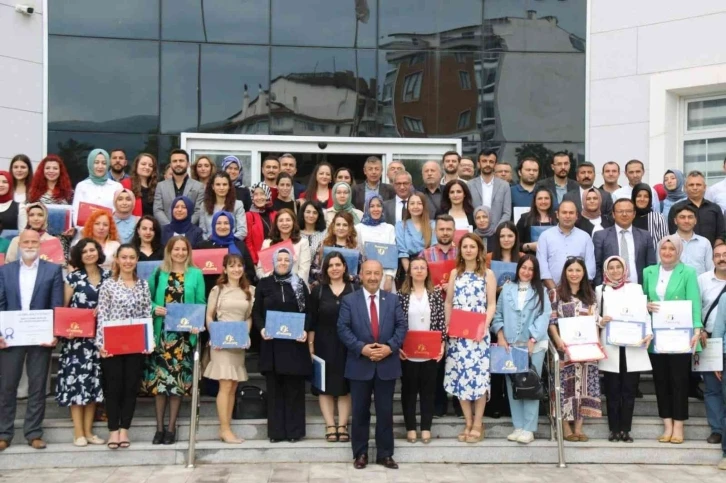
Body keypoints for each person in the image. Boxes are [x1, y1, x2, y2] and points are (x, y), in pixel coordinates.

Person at [338, 260, 407, 469]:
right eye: (368, 273)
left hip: (387, 364)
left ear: (381, 275)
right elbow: (343, 328)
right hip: (359, 363)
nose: (373, 277)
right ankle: (360, 453)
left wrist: (389, 348)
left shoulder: (392, 299)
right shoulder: (349, 300)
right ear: (361, 275)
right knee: (360, 412)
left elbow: (402, 326)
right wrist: (362, 348)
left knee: (385, 412)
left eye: (377, 273)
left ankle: (385, 454)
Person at [0, 229, 64, 451]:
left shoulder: (53, 270)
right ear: (19, 245)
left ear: (40, 245)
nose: (29, 245)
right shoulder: (5, 271)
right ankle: (4, 433)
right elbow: (0, 303)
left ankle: (34, 433)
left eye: (33, 242)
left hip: (40, 336)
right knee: (7, 386)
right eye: (25, 242)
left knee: (38, 386)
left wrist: (55, 333)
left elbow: (56, 304)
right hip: (11, 337)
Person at [145, 236, 206, 445]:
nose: (180, 253)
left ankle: (171, 428)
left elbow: (200, 303)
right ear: (169, 251)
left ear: (188, 252)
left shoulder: (196, 274)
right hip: (162, 336)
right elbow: (147, 300)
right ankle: (159, 428)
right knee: (160, 385)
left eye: (183, 249)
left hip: (183, 339)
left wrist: (197, 324)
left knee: (177, 384)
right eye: (176, 249)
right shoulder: (158, 273)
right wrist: (155, 308)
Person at [643, 235, 702, 443]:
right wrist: (645, 305)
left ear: (679, 251)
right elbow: (643, 299)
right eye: (664, 248)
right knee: (661, 382)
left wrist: (697, 330)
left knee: (679, 382)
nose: (667, 252)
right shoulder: (648, 272)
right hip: (657, 337)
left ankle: (679, 426)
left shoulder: (688, 272)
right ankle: (667, 425)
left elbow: (694, 302)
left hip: (680, 336)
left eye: (672, 249)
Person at [96, 244, 152, 449]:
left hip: (136, 345)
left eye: (132, 257)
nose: (128, 261)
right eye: (124, 257)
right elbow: (102, 314)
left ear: (137, 260)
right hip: (112, 345)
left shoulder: (143, 285)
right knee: (113, 388)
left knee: (130, 387)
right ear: (117, 260)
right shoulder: (108, 285)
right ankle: (113, 430)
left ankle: (124, 429)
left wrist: (148, 341)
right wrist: (101, 343)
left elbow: (147, 313)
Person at [253, 248, 312, 443]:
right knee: (275, 390)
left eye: (287, 260)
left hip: (295, 344)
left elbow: (309, 312)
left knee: (294, 390)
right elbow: (256, 312)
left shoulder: (299, 284)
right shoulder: (264, 284)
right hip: (272, 344)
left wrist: (305, 330)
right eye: (280, 259)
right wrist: (262, 329)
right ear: (273, 262)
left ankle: (294, 432)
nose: (283, 263)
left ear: (292, 262)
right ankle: (276, 432)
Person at [491, 255, 551, 444]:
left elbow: (545, 316)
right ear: (518, 269)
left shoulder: (541, 291)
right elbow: (498, 315)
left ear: (536, 272)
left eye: (531, 269)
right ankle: (518, 426)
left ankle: (529, 428)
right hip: (510, 346)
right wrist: (500, 336)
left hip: (534, 346)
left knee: (530, 384)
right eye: (524, 267)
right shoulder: (507, 288)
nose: (526, 272)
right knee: (513, 386)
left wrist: (533, 337)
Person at [56, 238, 110, 446]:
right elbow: (63, 308)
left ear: (98, 252)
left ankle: (89, 432)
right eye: (85, 251)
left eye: (92, 250)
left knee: (94, 385)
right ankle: (78, 432)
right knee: (76, 385)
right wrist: (65, 331)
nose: (89, 254)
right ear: (79, 255)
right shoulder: (73, 278)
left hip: (101, 340)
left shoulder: (109, 277)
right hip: (77, 341)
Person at [444, 233, 496, 444]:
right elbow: (449, 302)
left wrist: (484, 325)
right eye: (464, 246)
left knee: (479, 378)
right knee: (460, 377)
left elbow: (491, 304)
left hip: (478, 333)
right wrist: (448, 326)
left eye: (472, 246)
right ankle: (467, 421)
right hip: (458, 334)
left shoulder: (487, 274)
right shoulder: (455, 273)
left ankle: (478, 423)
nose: (468, 250)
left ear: (479, 249)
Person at [597, 256, 652, 443]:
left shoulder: (635, 288)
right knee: (612, 390)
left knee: (629, 390)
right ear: (606, 270)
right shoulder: (600, 290)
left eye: (618, 267)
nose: (615, 271)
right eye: (611, 267)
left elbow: (644, 314)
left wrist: (649, 333)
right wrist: (600, 321)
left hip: (633, 345)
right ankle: (614, 429)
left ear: (624, 269)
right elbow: (594, 315)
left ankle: (625, 430)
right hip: (611, 345)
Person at [548, 257, 602, 441]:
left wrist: (596, 343)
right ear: (565, 272)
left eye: (578, 270)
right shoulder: (555, 293)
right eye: (570, 270)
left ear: (584, 273)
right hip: (564, 349)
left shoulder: (590, 295)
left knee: (583, 386)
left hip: (586, 349)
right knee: (565, 387)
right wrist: (558, 340)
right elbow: (552, 321)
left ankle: (578, 428)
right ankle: (565, 427)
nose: (574, 274)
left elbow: (595, 322)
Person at [204, 253, 255, 444]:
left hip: (238, 343)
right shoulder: (217, 290)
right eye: (232, 266)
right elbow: (209, 316)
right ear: (224, 269)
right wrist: (214, 335)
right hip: (221, 343)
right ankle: (224, 429)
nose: (236, 269)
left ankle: (226, 428)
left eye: (239, 265)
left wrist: (246, 335)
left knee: (233, 386)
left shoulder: (250, 290)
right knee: (225, 385)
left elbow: (248, 317)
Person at [308, 252, 356, 443]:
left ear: (344, 267)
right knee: (324, 386)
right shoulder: (318, 291)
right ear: (325, 269)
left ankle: (342, 425)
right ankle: (330, 425)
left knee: (345, 387)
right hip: (323, 345)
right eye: (330, 265)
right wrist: (311, 347)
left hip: (349, 345)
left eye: (338, 265)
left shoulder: (354, 289)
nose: (334, 268)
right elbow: (311, 321)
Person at [398, 257, 446, 444]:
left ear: (427, 272)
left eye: (422, 268)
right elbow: (396, 323)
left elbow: (441, 322)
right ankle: (410, 427)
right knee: (408, 392)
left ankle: (426, 427)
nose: (419, 270)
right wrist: (398, 347)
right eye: (415, 268)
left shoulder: (434, 295)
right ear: (409, 272)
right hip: (407, 352)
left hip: (430, 352)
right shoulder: (401, 295)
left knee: (429, 391)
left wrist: (442, 345)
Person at [697, 243, 726, 445]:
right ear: (712, 259)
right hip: (707, 339)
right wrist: (698, 329)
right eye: (717, 255)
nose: (721, 258)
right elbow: (695, 306)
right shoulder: (703, 280)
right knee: (712, 388)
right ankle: (717, 429)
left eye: (725, 254)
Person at [592, 198, 656, 285]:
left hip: (639, 288)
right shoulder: (600, 236)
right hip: (610, 289)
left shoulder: (645, 236)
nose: (624, 214)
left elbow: (651, 266)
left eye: (628, 211)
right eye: (620, 211)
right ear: (613, 214)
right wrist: (601, 288)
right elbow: (596, 266)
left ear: (634, 214)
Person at [536, 200, 596, 291]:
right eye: (564, 212)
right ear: (557, 215)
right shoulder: (545, 236)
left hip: (579, 292)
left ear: (576, 216)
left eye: (571, 213)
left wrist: (577, 291)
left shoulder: (585, 237)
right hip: (551, 292)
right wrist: (555, 291)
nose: (567, 216)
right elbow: (542, 267)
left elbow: (590, 268)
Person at [667, 170, 725, 248]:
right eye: (691, 185)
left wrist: (715, 249)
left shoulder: (715, 208)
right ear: (685, 188)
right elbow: (673, 234)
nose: (695, 188)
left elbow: (721, 234)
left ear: (705, 187)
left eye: (698, 185)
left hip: (711, 252)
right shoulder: (676, 209)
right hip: (684, 252)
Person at [197, 211, 256, 286]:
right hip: (210, 289)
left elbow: (250, 272)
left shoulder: (240, 245)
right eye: (218, 223)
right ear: (213, 225)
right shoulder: (203, 246)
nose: (222, 227)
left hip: (237, 288)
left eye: (226, 223)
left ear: (231, 225)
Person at [71, 149, 123, 231]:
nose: (100, 166)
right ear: (90, 164)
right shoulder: (82, 186)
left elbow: (119, 213)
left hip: (109, 233)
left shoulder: (117, 187)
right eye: (96, 162)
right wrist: (86, 231)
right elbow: (76, 212)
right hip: (85, 233)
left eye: (104, 163)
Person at [256, 208, 312, 283]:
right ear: (276, 223)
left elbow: (304, 272)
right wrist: (270, 276)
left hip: (295, 286)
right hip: (272, 285)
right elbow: (260, 270)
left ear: (293, 222)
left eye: (288, 220)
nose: (284, 223)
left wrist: (288, 283)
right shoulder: (267, 243)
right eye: (281, 220)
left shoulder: (302, 243)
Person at [153, 149, 205, 225]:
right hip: (167, 230)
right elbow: (158, 210)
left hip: (190, 230)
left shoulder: (199, 186)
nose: (178, 164)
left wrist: (186, 227)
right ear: (171, 164)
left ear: (188, 164)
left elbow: (198, 211)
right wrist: (170, 227)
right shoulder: (161, 186)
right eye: (174, 161)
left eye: (181, 161)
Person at [355, 193, 396, 290]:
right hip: (366, 276)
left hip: (385, 277)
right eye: (372, 206)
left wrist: (389, 278)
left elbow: (392, 256)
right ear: (366, 208)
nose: (376, 209)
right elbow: (358, 254)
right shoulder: (358, 228)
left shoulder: (389, 228)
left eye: (379, 206)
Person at [468, 149, 511, 231]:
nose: (488, 164)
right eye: (484, 161)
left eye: (491, 161)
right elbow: (467, 210)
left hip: (497, 231)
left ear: (495, 165)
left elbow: (507, 213)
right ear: (478, 164)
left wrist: (498, 230)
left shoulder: (504, 186)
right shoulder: (470, 185)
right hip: (475, 231)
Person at [199, 172, 247, 241]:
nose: (221, 188)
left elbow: (242, 231)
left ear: (229, 186)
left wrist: (226, 241)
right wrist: (211, 241)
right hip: (210, 244)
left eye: (224, 184)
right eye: (218, 184)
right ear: (213, 186)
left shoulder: (238, 205)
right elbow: (202, 231)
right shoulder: (204, 206)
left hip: (231, 244)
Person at [396, 192, 436, 275]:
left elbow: (434, 249)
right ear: (408, 206)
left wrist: (426, 273)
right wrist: (410, 274)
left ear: (424, 206)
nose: (415, 206)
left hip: (429, 267)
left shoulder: (432, 225)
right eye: (412, 203)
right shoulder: (400, 226)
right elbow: (402, 253)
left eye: (419, 203)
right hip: (407, 268)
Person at [316, 211, 363, 282]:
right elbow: (314, 269)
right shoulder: (324, 245)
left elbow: (361, 274)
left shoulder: (356, 248)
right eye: (338, 224)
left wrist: (348, 277)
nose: (341, 228)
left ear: (350, 228)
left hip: (348, 286)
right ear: (333, 226)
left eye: (345, 225)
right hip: (326, 285)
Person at [672, 204, 714, 276]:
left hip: (700, 283)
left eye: (690, 217)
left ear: (695, 221)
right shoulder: (667, 242)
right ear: (675, 221)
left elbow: (710, 270)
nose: (686, 221)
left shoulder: (704, 243)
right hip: (675, 283)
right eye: (682, 217)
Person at [517, 186, 557, 255]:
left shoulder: (558, 218)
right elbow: (515, 243)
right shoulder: (525, 218)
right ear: (534, 201)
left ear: (551, 201)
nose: (543, 201)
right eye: (540, 198)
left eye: (546, 198)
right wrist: (529, 246)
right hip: (531, 258)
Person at [245, 182, 277, 266]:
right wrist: (255, 261)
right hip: (258, 261)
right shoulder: (249, 215)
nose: (259, 197)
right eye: (255, 194)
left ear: (267, 195)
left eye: (262, 194)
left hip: (277, 258)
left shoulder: (275, 214)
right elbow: (248, 242)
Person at [632, 183, 669, 249]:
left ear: (650, 199)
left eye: (646, 196)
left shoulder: (658, 218)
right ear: (634, 197)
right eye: (639, 196)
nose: (642, 199)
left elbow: (665, 243)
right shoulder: (628, 217)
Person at [121, 153, 158, 217]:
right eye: (143, 164)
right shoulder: (126, 184)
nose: (147, 167)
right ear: (136, 166)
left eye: (150, 165)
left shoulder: (157, 187)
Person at [298, 200, 326, 285]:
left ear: (319, 215)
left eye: (315, 213)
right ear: (302, 213)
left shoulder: (325, 233)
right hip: (298, 276)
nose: (311, 215)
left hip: (318, 278)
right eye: (308, 212)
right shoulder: (295, 233)